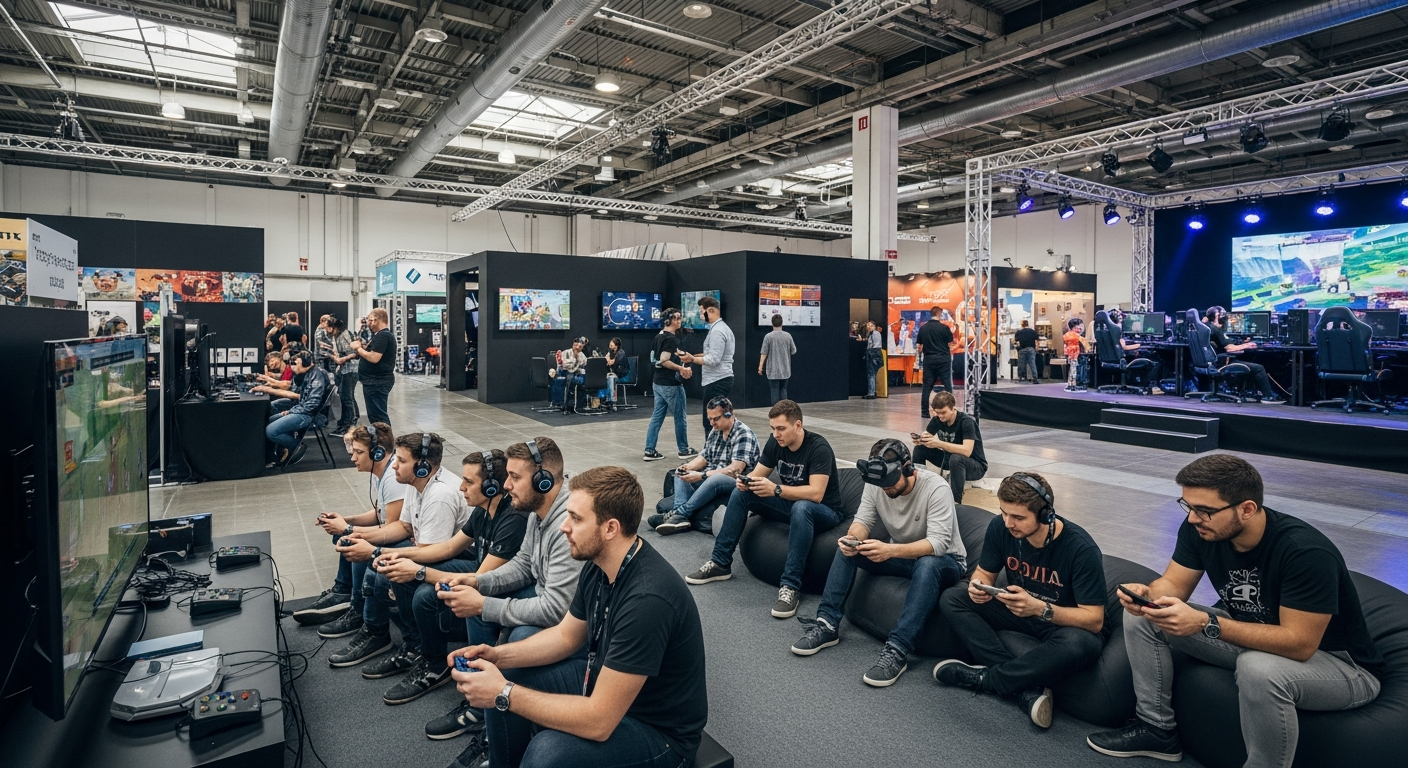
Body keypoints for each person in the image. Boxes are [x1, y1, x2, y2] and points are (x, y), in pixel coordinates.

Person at [1086, 455, 1383, 765]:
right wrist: (1148, 595)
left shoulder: (1304, 552)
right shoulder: (1202, 530)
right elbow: (1173, 584)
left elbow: (1300, 644)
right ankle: (1157, 729)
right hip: (1258, 635)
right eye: (1188, 506)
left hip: (1341, 666)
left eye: (1205, 510)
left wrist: (1206, 623)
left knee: (1258, 668)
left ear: (1247, 509)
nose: (1193, 518)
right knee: (1147, 617)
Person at [446, 465, 708, 768]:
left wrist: (503, 693)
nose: (563, 527)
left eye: (575, 518)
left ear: (610, 528)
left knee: (547, 752)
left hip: (660, 733)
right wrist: (496, 656)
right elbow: (565, 636)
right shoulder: (598, 565)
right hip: (605, 684)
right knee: (510, 673)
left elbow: (599, 721)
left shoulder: (648, 599)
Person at [935, 472, 1107, 728]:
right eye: (1004, 513)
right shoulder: (1000, 527)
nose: (1008, 523)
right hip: (1016, 608)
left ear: (1045, 515)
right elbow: (984, 573)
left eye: (1018, 517)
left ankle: (989, 679)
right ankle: (1022, 688)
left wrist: (1040, 608)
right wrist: (977, 586)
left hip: (1059, 622)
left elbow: (1094, 620)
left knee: (1082, 643)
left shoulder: (1081, 549)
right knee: (953, 598)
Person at [791, 439, 967, 687]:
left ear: (908, 468)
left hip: (945, 562)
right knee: (848, 549)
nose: (885, 489)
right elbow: (863, 521)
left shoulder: (936, 488)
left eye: (890, 483)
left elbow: (937, 544)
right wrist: (853, 539)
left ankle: (898, 650)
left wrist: (890, 550)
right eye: (881, 484)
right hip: (903, 556)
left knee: (927, 564)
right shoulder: (876, 483)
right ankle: (827, 624)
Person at [327, 432, 473, 681]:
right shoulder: (416, 484)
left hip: (461, 558)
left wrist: (373, 551)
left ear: (422, 466)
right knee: (379, 563)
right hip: (432, 549)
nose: (394, 464)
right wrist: (355, 532)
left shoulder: (440, 495)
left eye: (401, 460)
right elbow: (404, 527)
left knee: (387, 574)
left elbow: (430, 553)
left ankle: (414, 645)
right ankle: (383, 631)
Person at [686, 399, 844, 620]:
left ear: (798, 425)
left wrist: (776, 489)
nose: (776, 434)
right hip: (790, 504)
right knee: (741, 493)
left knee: (802, 508)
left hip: (824, 511)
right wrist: (745, 482)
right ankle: (720, 562)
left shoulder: (818, 448)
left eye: (781, 429)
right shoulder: (776, 442)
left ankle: (790, 586)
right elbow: (757, 474)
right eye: (772, 429)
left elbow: (816, 494)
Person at [419, 450, 530, 741]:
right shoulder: (482, 510)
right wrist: (395, 555)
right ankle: (431, 662)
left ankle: (480, 707)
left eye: (469, 481)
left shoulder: (515, 518)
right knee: (423, 588)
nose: (461, 487)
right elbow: (448, 549)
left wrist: (417, 572)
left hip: (500, 582)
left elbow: (484, 578)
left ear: (491, 486)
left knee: (469, 602)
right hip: (483, 572)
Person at [300, 423, 406, 632]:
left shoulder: (393, 478)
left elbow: (390, 529)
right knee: (346, 533)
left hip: (404, 537)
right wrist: (346, 521)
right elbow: (379, 513)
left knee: (355, 541)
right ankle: (343, 591)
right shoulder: (382, 473)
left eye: (359, 452)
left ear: (377, 453)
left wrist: (348, 529)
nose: (352, 458)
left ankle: (358, 609)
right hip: (395, 530)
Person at [650, 396, 761, 536]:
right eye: (710, 419)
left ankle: (681, 513)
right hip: (711, 478)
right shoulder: (715, 431)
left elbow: (734, 470)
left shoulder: (743, 434)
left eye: (716, 419)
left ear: (729, 415)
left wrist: (702, 475)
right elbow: (704, 457)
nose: (712, 423)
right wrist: (687, 467)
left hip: (736, 483)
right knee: (680, 471)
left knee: (716, 479)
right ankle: (678, 518)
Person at [911, 390, 987, 505]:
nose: (940, 416)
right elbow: (928, 436)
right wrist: (921, 440)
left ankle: (956, 501)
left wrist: (939, 443)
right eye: (937, 413)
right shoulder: (937, 419)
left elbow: (967, 451)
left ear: (953, 408)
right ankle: (918, 487)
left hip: (975, 466)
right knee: (919, 450)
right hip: (950, 461)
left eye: (943, 412)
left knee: (956, 458)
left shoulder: (966, 422)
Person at [642, 308, 696, 462]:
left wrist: (687, 356)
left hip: (657, 383)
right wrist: (681, 369)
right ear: (668, 321)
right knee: (680, 417)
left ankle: (649, 450)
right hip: (671, 384)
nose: (679, 320)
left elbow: (667, 354)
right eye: (676, 318)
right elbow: (664, 360)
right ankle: (684, 450)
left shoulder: (659, 336)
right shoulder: (671, 339)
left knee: (657, 417)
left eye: (680, 317)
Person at [1203, 306, 1286, 404]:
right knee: (1259, 368)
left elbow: (1225, 343)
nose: (1225, 318)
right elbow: (1230, 348)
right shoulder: (1216, 330)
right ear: (1217, 316)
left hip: (1213, 362)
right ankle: (1268, 397)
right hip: (1223, 362)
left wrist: (1241, 342)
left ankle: (1250, 394)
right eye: (1223, 315)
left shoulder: (1206, 328)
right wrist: (1247, 345)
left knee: (1250, 364)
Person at [679, 295, 734, 435]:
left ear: (711, 310)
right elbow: (715, 354)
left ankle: (713, 449)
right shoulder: (720, 328)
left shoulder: (717, 331)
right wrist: (697, 356)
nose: (699, 315)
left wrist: (692, 359)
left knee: (711, 421)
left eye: (701, 311)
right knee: (717, 420)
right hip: (719, 379)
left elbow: (714, 359)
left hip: (717, 380)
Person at [264, 350, 329, 466]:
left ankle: (296, 445)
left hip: (311, 416)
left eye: (296, 363)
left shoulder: (317, 376)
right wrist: (297, 375)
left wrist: (291, 411)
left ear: (305, 363)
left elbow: (311, 405)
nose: (293, 366)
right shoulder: (305, 373)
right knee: (268, 421)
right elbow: (295, 392)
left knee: (271, 431)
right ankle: (275, 455)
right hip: (301, 410)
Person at [353, 308, 397, 429]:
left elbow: (374, 358)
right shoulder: (380, 336)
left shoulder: (383, 335)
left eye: (370, 320)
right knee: (375, 416)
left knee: (378, 417)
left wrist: (358, 349)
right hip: (374, 381)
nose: (369, 324)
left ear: (377, 320)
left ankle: (385, 439)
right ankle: (382, 438)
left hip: (377, 382)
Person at [917, 306, 955, 415]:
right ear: (939, 314)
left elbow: (920, 345)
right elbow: (950, 342)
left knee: (927, 386)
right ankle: (950, 409)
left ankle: (924, 412)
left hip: (929, 360)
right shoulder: (944, 328)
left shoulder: (923, 328)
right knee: (947, 385)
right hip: (943, 359)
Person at [326, 317, 360, 432]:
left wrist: (340, 359)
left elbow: (354, 353)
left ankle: (349, 423)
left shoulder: (344, 335)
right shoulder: (339, 336)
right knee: (345, 395)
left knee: (347, 397)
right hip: (346, 370)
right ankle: (348, 420)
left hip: (350, 370)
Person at [759, 313, 797, 404]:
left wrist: (760, 367)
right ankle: (784, 409)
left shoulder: (768, 337)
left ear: (772, 323)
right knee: (783, 389)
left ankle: (775, 410)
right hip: (785, 369)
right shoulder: (788, 336)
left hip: (772, 370)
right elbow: (794, 351)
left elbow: (764, 353)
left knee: (774, 390)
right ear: (782, 323)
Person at [549, 337, 588, 409]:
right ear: (573, 344)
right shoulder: (566, 353)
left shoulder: (582, 355)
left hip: (576, 374)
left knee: (583, 378)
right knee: (570, 376)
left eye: (580, 347)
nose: (577, 348)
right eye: (575, 345)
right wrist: (576, 360)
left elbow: (585, 364)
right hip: (564, 372)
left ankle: (580, 403)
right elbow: (565, 365)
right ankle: (566, 403)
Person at [1063, 317, 1089, 392]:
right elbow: (1085, 343)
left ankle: (1069, 384)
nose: (1081, 330)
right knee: (1074, 370)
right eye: (1079, 328)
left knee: (1071, 369)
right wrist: (1088, 349)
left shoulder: (1066, 335)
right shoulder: (1077, 336)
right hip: (1075, 354)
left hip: (1069, 354)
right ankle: (1074, 385)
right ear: (1075, 327)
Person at [603, 337, 628, 407]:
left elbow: (611, 362)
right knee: (606, 376)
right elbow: (605, 360)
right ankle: (604, 399)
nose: (610, 343)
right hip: (614, 372)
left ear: (616, 345)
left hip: (622, 373)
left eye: (612, 343)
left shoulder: (621, 353)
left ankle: (612, 401)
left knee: (611, 378)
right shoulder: (611, 352)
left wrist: (608, 360)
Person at [863, 320, 883, 399]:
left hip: (873, 355)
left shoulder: (875, 333)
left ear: (874, 326)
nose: (869, 327)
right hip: (872, 354)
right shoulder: (870, 334)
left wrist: (871, 355)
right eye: (868, 325)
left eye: (871, 325)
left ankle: (871, 393)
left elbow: (876, 345)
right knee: (872, 374)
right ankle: (872, 391)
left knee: (871, 374)